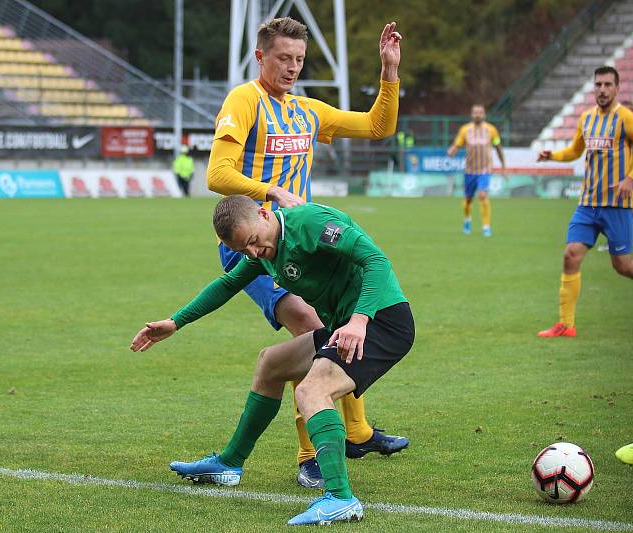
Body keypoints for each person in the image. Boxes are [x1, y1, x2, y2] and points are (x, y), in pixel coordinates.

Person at [205, 17, 408, 488]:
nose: (292, 67)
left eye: (298, 59)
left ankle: (354, 431)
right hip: (255, 248)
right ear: (260, 57)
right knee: (315, 332)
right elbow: (217, 174)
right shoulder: (244, 99)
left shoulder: (305, 110)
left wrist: (389, 72)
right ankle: (312, 455)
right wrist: (271, 192)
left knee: (332, 332)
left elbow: (378, 125)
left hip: (301, 247)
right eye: (283, 58)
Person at [130, 195, 414, 525]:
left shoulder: (311, 223)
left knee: (311, 392)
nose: (252, 252)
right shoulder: (264, 251)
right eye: (243, 250)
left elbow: (376, 261)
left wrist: (359, 320)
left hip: (382, 321)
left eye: (252, 241)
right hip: (345, 326)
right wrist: (176, 321)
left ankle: (340, 498)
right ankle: (230, 464)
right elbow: (228, 283)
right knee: (271, 362)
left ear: (265, 214)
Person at [536, 66, 633, 338]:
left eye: (607, 84)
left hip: (617, 204)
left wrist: (629, 179)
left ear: (616, 88)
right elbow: (575, 151)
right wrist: (552, 156)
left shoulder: (625, 118)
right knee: (571, 255)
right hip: (588, 204)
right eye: (598, 84)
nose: (601, 89)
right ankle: (566, 324)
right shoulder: (587, 118)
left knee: (623, 266)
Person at [447, 105, 507, 237]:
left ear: (484, 114)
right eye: (475, 112)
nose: (478, 115)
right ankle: (467, 219)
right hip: (470, 170)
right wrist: (452, 151)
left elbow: (498, 147)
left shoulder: (491, 130)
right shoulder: (465, 130)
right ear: (471, 114)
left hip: (485, 169)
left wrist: (503, 166)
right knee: (468, 199)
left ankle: (486, 226)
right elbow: (457, 144)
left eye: (480, 112)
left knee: (483, 195)